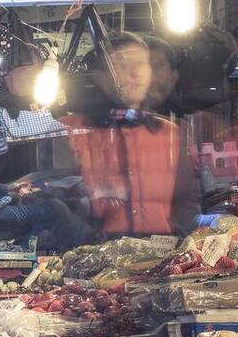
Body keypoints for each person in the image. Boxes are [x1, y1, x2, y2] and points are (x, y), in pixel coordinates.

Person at [60, 32, 199, 236]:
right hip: (94, 257)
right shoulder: (71, 130)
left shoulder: (170, 133)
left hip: (160, 256)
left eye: (141, 63)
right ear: (100, 76)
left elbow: (186, 201)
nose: (134, 73)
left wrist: (178, 240)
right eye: (121, 64)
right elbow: (61, 203)